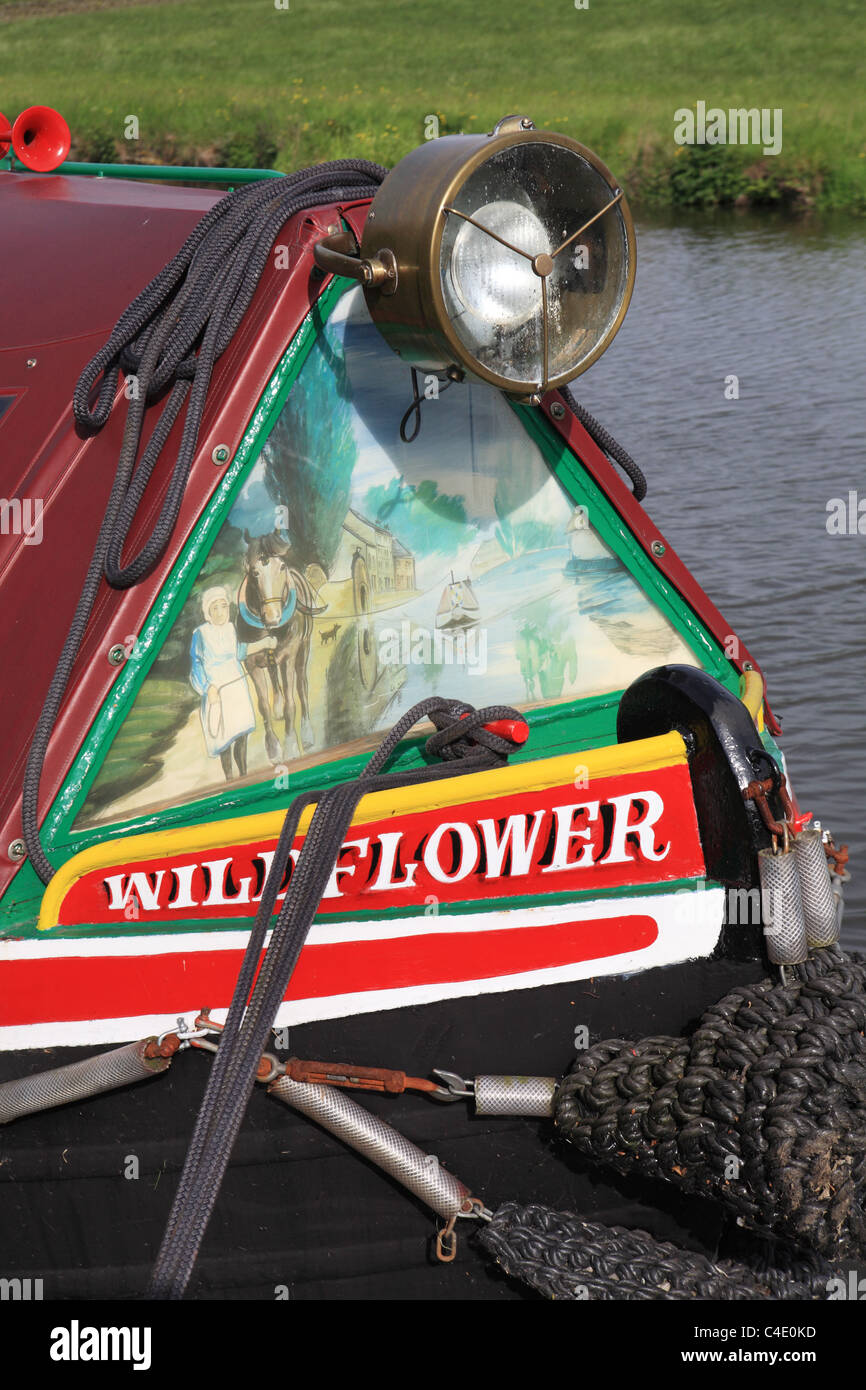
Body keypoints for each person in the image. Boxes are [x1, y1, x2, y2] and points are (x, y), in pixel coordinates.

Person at [189, 586, 276, 780]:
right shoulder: (200, 634)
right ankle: (229, 778)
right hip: (217, 691)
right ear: (208, 612)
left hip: (236, 689)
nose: (221, 613)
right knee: (224, 739)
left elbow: (239, 652)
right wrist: (206, 688)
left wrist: (264, 643)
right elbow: (195, 665)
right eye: (215, 608)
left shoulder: (230, 629)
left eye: (224, 607)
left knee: (241, 734)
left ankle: (243, 775)